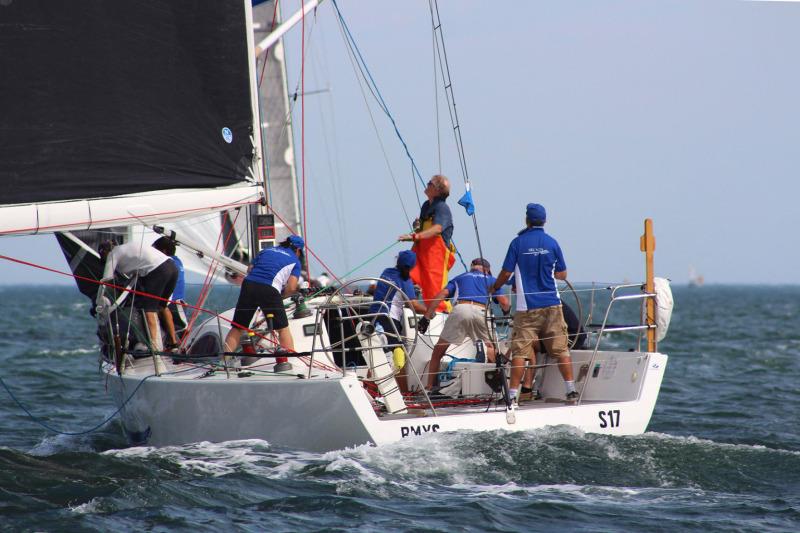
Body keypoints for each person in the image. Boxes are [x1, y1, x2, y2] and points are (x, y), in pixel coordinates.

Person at [491, 203, 578, 403]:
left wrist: (495, 287)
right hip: (553, 305)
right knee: (561, 349)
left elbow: (506, 273)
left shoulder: (517, 243)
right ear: (545, 221)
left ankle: (512, 396)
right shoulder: (552, 243)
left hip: (527, 308)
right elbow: (562, 274)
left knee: (520, 351)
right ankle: (571, 390)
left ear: (527, 221)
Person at [418, 258, 511, 391]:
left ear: (472, 267)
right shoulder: (491, 279)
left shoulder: (459, 277)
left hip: (460, 309)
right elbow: (505, 302)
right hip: (480, 311)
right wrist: (506, 313)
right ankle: (496, 388)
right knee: (491, 349)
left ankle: (429, 386)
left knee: (438, 351)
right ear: (488, 270)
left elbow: (442, 294)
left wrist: (426, 318)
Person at [222, 235, 304, 355]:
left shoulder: (266, 251)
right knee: (282, 329)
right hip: (269, 288)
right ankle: (291, 359)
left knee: (238, 327)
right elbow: (291, 287)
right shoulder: (295, 261)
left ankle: (224, 361)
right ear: (297, 250)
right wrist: (281, 298)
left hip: (249, 284)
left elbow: (250, 269)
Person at [100, 240, 179, 352]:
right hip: (172, 267)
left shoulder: (113, 254)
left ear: (106, 252)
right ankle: (173, 344)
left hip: (157, 270)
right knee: (162, 306)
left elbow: (106, 281)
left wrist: (100, 302)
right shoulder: (128, 249)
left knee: (149, 310)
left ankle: (154, 348)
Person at [369, 250, 428, 391]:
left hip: (373, 317)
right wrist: (430, 311)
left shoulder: (386, 272)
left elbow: (378, 288)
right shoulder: (405, 280)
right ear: (412, 267)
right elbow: (412, 304)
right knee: (399, 357)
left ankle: (370, 390)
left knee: (377, 355)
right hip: (388, 319)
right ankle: (404, 394)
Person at [398, 174, 455, 313]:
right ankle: (408, 308)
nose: (427, 184)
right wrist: (418, 227)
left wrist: (415, 236)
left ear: (436, 189)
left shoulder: (442, 208)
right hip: (421, 251)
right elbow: (425, 231)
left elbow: (437, 229)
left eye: (430, 183)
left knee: (434, 289)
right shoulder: (426, 206)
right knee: (405, 276)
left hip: (436, 256)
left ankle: (443, 315)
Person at [152, 236, 187, 337]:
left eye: (155, 250)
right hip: (178, 305)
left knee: (176, 337)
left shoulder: (165, 263)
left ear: (163, 251)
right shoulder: (177, 261)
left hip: (170, 306)